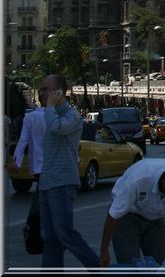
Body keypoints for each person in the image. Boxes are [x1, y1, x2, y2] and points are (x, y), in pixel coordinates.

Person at [38, 74, 100, 268]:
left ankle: (98, 267)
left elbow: (57, 128)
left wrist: (49, 106)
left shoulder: (72, 115)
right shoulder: (49, 114)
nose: (41, 93)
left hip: (63, 183)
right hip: (47, 182)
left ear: (58, 93)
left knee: (65, 233)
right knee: (49, 238)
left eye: (45, 89)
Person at [98, 160, 165, 267]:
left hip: (155, 219)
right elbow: (114, 215)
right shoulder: (138, 179)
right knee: (129, 267)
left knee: (157, 267)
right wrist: (104, 251)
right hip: (127, 217)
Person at [13, 90, 47, 231]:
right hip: (53, 165)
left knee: (43, 194)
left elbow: (23, 140)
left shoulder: (30, 117)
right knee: (43, 196)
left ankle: (36, 224)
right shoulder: (56, 117)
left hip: (37, 165)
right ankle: (34, 224)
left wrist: (17, 161)